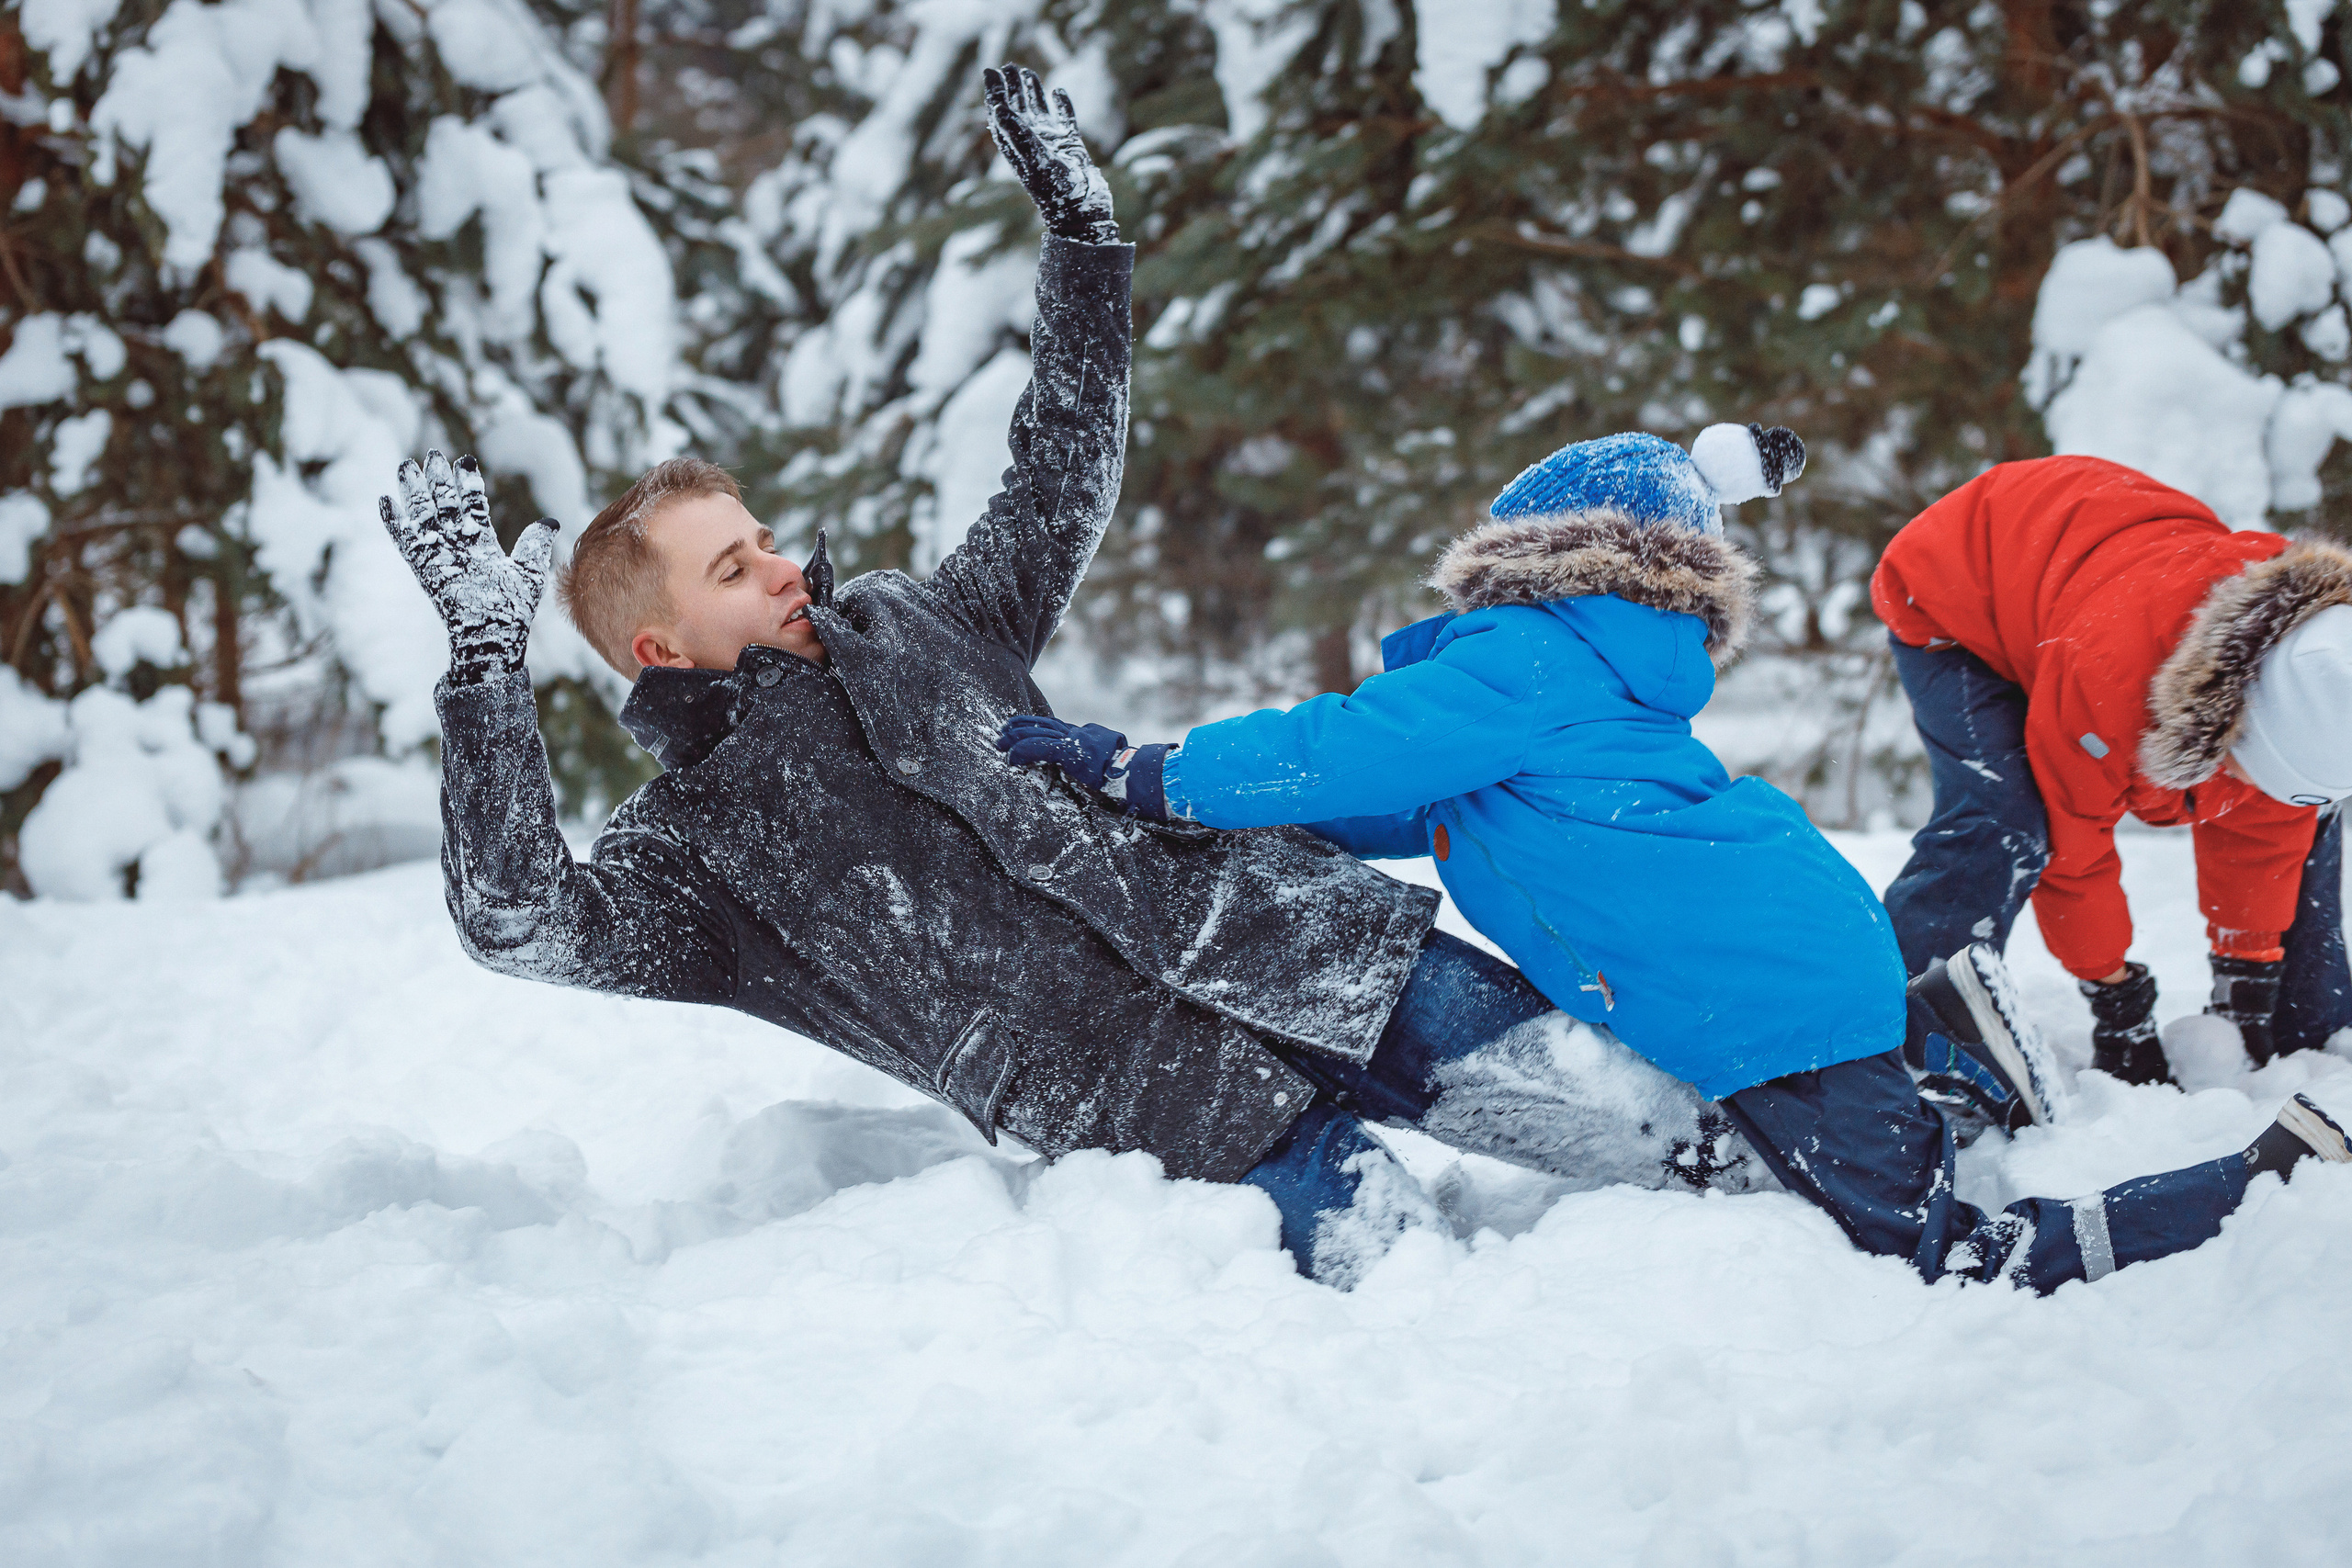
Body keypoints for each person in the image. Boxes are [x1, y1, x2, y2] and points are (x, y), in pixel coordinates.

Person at [383, 67, 1777, 1291]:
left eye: (763, 539)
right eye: (733, 571)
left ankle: (1933, 1173)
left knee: (1683, 1136)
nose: (783, 568)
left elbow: (1060, 481)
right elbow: (519, 922)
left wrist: (1085, 245)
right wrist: (486, 675)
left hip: (1306, 939)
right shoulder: (694, 856)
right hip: (1169, 1107)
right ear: (658, 646)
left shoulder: (921, 622)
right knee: (1429, 1298)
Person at [1002, 428, 2352, 1293]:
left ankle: (2229, 1190)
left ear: (1526, 560)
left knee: (1941, 1252)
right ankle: (1944, 1045)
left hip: (1770, 1006)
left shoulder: (1520, 662)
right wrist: (1226, 818)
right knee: (1873, 1146)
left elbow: (1344, 745)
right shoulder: (1586, 682)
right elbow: (1397, 803)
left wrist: (1154, 771)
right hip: (1794, 960)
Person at [1871, 456, 2352, 1084]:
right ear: (2229, 724)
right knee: (2007, 819)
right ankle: (1898, 1035)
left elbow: (2263, 824)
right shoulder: (2113, 685)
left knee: (2310, 824)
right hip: (1958, 589)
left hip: (2085, 578)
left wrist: (2250, 970)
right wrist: (2116, 997)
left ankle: (2311, 1038)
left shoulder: (2315, 665)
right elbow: (2077, 848)